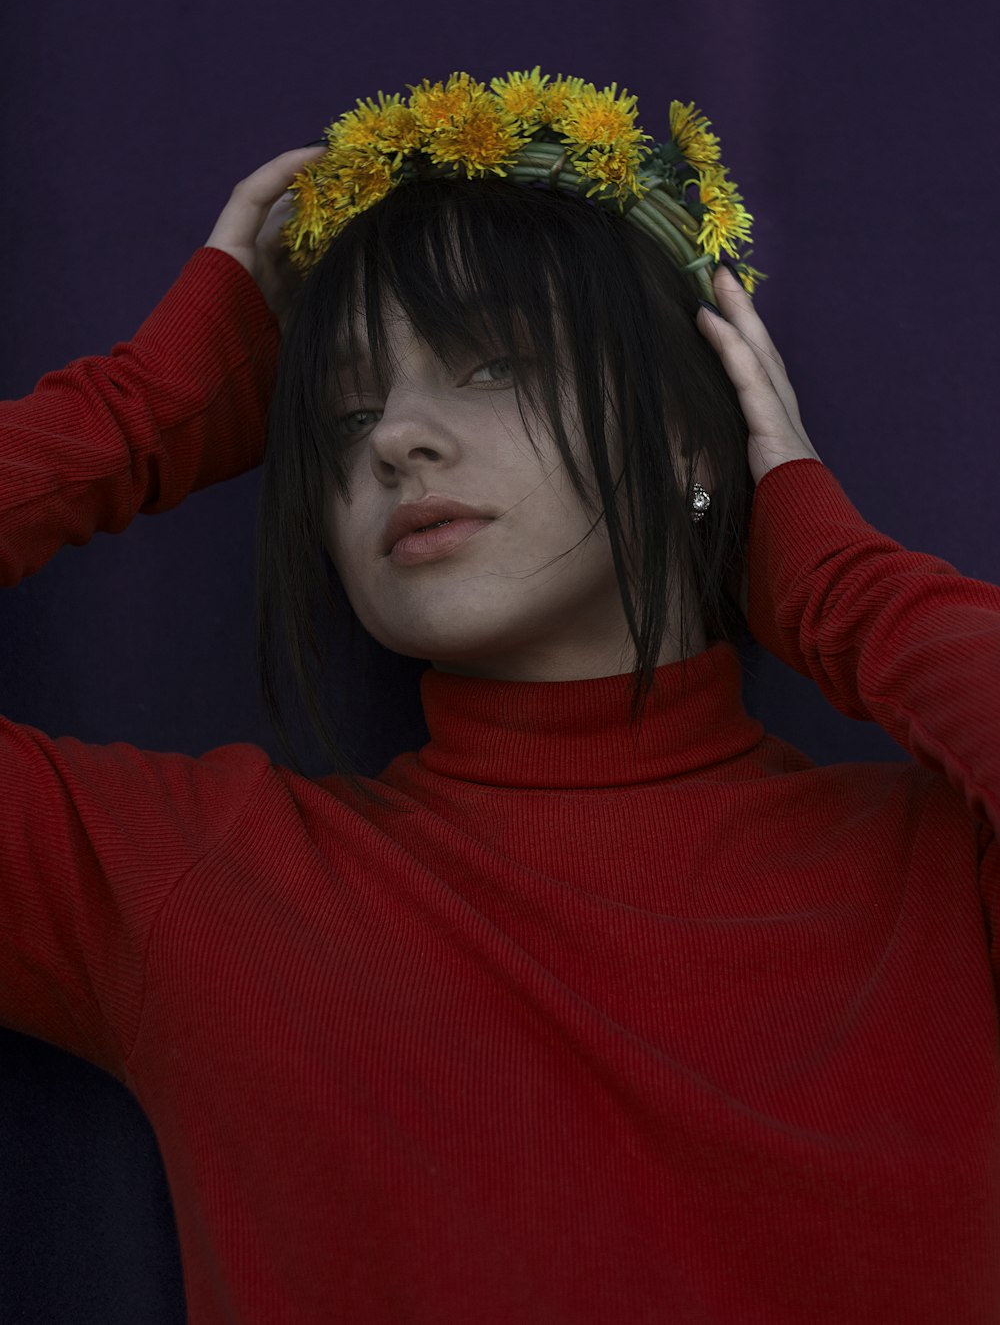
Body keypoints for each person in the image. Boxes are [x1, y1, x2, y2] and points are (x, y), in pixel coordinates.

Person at [2, 133, 998, 1325]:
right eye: (339, 412)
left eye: (491, 367)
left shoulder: (943, 876)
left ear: (690, 434)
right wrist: (142, 408)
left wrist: (835, 579)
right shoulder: (192, 882)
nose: (393, 439)